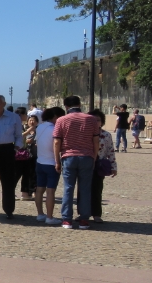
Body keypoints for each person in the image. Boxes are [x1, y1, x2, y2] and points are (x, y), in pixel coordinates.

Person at [53, 95, 101, 229]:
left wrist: (57, 160)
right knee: (85, 188)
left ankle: (67, 219)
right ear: (80, 105)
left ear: (66, 106)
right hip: (86, 156)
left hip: (68, 156)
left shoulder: (61, 120)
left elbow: (57, 141)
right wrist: (94, 156)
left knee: (68, 188)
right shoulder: (91, 119)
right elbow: (96, 140)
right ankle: (84, 219)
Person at [33, 106, 65, 224]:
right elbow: (56, 144)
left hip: (40, 161)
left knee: (39, 189)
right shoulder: (55, 129)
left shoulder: (40, 127)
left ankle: (40, 214)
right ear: (56, 117)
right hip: (51, 162)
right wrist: (58, 162)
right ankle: (50, 217)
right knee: (50, 191)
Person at [87, 109, 118, 223]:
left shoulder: (106, 135)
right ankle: (83, 213)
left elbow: (110, 151)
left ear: (102, 121)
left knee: (97, 189)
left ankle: (96, 214)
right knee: (83, 189)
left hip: (99, 165)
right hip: (86, 163)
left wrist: (113, 167)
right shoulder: (85, 134)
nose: (96, 122)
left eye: (98, 120)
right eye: (93, 120)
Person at [13, 107, 35, 201]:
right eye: (26, 114)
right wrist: (30, 130)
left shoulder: (20, 125)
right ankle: (10, 192)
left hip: (24, 152)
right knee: (16, 174)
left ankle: (25, 193)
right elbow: (20, 136)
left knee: (26, 173)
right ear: (21, 115)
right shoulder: (15, 124)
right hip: (17, 152)